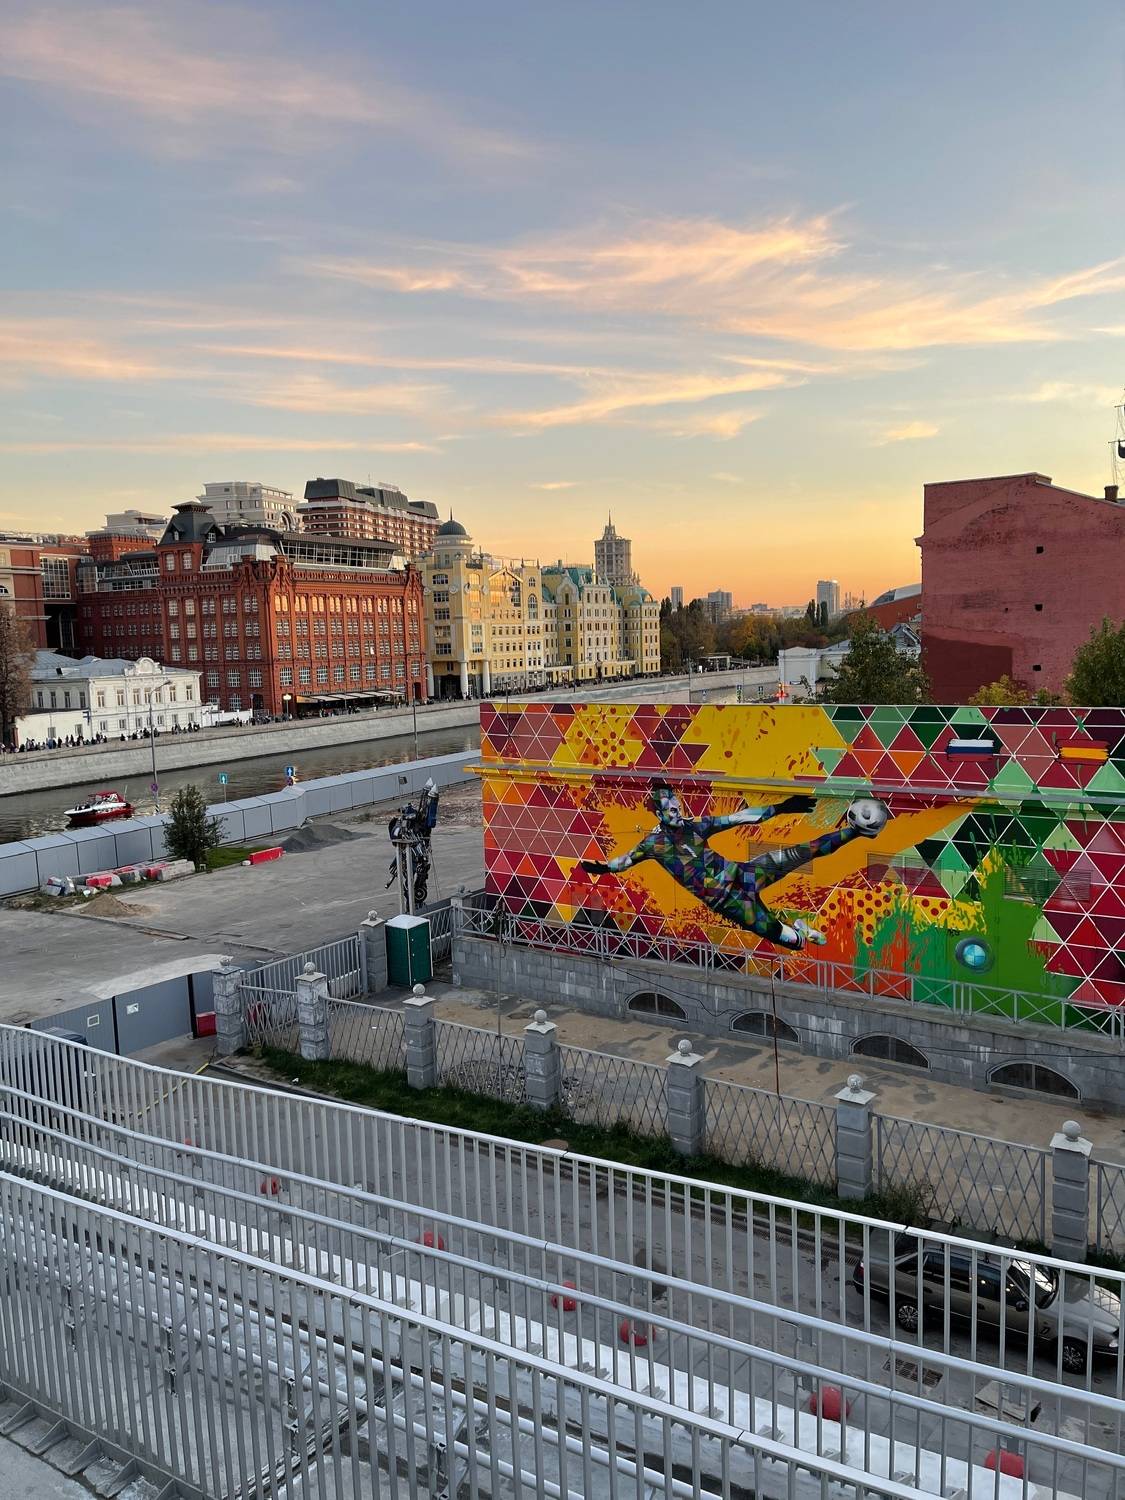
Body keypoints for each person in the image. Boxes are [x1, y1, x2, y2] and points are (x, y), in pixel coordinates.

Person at [580, 780, 890, 951]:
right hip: (731, 903)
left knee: (802, 853)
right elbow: (625, 861)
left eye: (677, 805)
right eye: (670, 808)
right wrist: (604, 868)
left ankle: (856, 831)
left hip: (744, 875)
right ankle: (798, 929)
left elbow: (739, 818)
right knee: (791, 942)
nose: (677, 810)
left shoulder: (696, 826)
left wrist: (781, 808)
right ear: (659, 814)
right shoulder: (652, 845)